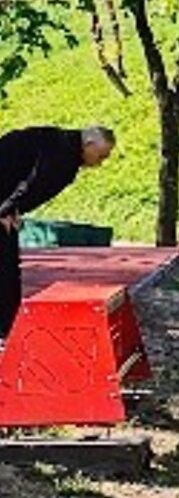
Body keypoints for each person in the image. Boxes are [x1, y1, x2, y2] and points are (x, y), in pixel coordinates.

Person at [0, 126, 117, 341]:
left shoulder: (63, 146)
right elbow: (30, 182)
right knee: (5, 267)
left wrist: (13, 209)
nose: (100, 163)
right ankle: (7, 328)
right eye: (101, 156)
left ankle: (8, 326)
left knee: (8, 267)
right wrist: (5, 209)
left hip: (7, 190)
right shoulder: (61, 155)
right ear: (88, 144)